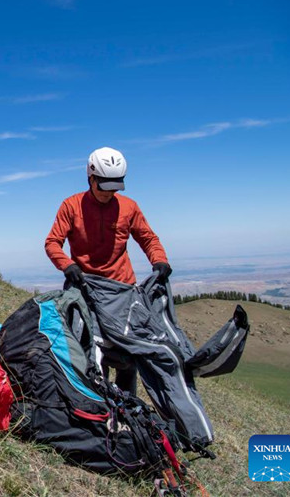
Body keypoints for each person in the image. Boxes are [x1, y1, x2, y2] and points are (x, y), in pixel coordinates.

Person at [44, 146, 172, 394]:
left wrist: (160, 260)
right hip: (85, 287)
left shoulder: (129, 207)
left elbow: (148, 238)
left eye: (115, 187)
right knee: (91, 352)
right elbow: (52, 243)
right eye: (104, 186)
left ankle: (127, 405)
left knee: (128, 356)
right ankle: (98, 401)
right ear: (90, 178)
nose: (109, 193)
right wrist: (67, 265)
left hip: (122, 290)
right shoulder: (71, 206)